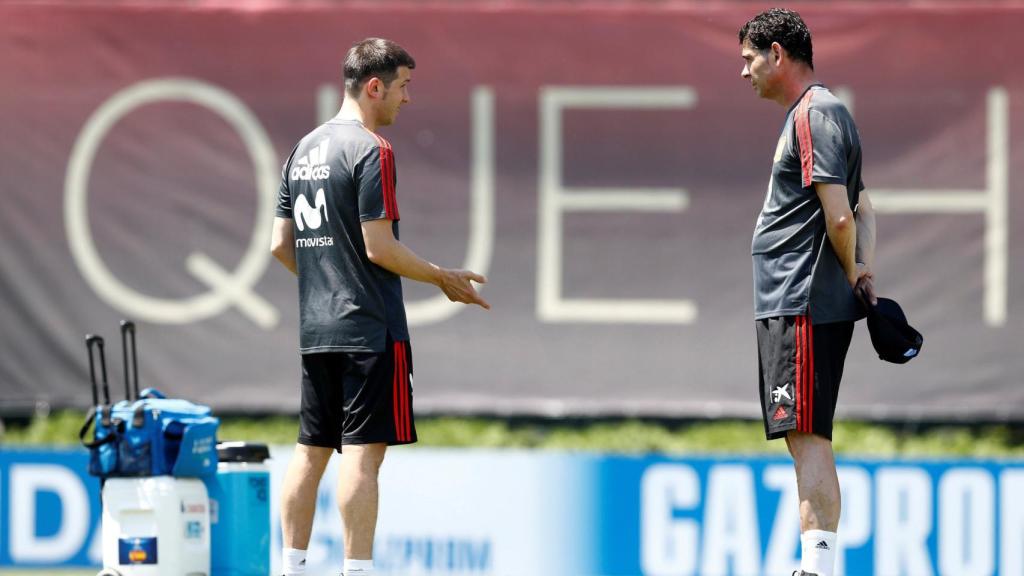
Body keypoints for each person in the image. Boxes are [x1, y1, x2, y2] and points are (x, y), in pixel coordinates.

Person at [270, 37, 490, 576]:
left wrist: (325, 281)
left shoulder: (303, 148)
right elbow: (379, 247)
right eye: (403, 87)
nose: (407, 100)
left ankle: (291, 567)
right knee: (362, 456)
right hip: (368, 331)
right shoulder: (372, 149)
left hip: (317, 327)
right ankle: (358, 570)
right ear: (375, 86)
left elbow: (279, 244)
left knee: (309, 452)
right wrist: (443, 278)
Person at [738, 9, 877, 576]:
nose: (743, 73)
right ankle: (816, 566)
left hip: (799, 300)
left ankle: (817, 569)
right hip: (797, 301)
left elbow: (843, 218)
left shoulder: (814, 113)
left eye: (748, 60)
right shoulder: (823, 111)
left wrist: (855, 271)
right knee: (804, 433)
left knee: (807, 434)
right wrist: (864, 273)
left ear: (776, 53)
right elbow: (866, 207)